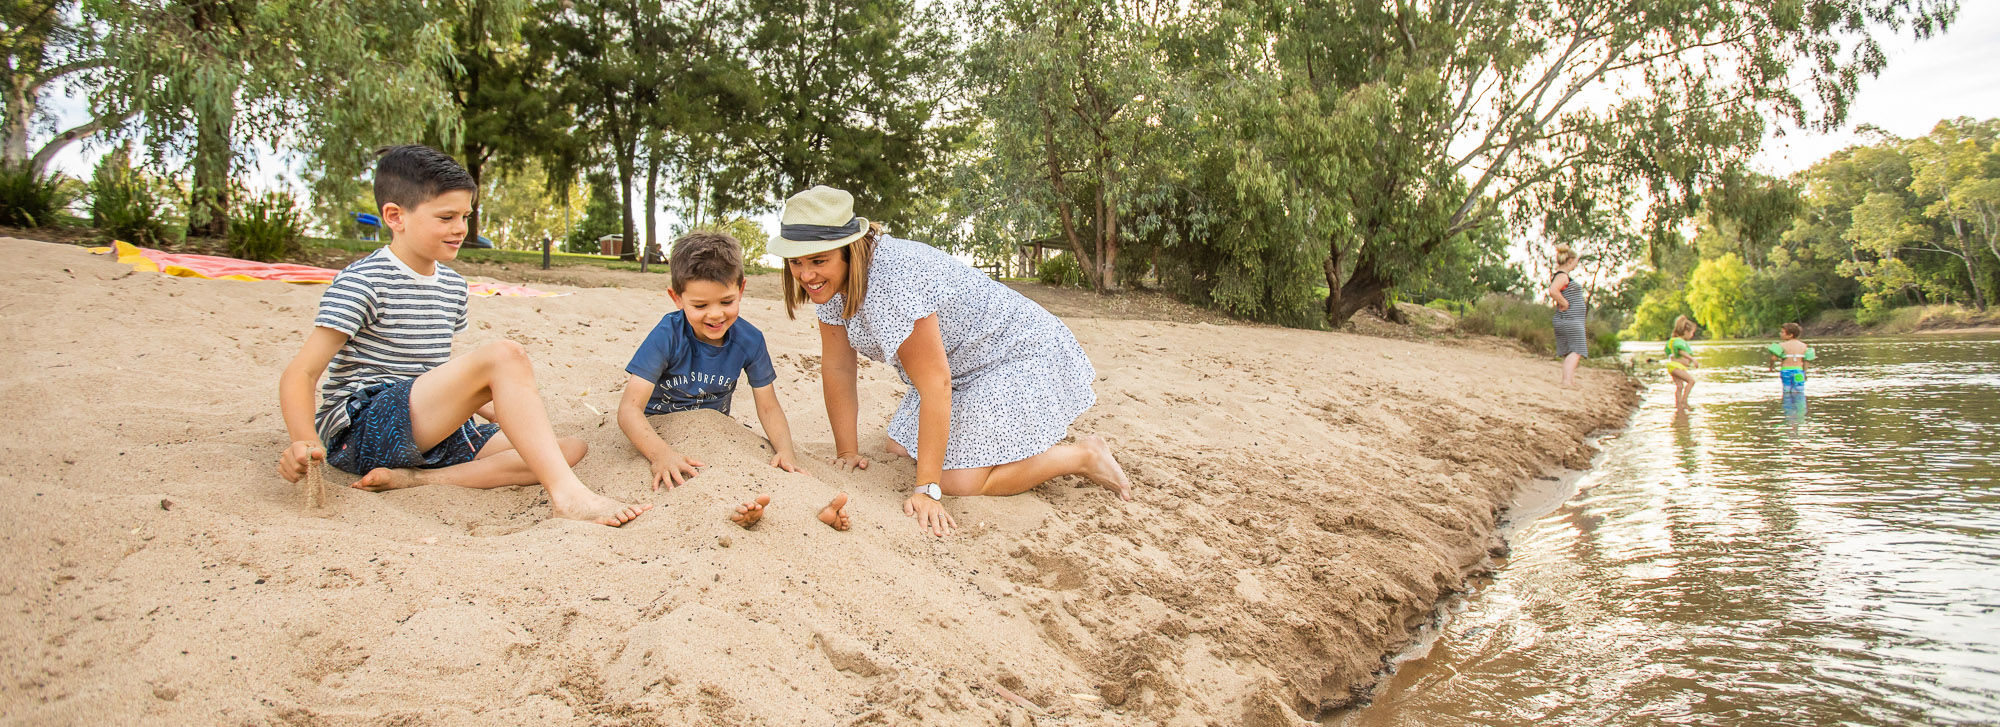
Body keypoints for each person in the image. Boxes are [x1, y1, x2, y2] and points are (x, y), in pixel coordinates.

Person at [276, 145, 650, 526]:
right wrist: (303, 441)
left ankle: (419, 480)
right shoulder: (363, 281)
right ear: (395, 216)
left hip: (424, 433)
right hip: (362, 430)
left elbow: (437, 376)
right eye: (446, 216)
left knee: (565, 448)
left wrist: (506, 414)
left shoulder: (453, 286)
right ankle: (569, 497)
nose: (460, 228)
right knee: (506, 355)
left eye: (465, 216)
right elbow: (301, 373)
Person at [773, 185, 1131, 537]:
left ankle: (1083, 455)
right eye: (796, 262)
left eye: (818, 261)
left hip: (1013, 354)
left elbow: (934, 383)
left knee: (955, 481)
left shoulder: (891, 281)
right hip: (961, 369)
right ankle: (999, 445)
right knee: (898, 447)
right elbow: (838, 366)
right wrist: (846, 451)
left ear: (849, 251)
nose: (806, 275)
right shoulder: (831, 286)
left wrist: (927, 489)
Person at [614, 231, 849, 531]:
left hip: (716, 434)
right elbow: (629, 410)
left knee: (767, 467)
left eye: (727, 301)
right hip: (659, 436)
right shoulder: (666, 335)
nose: (715, 315)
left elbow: (768, 407)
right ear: (677, 298)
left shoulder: (750, 340)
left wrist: (786, 451)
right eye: (699, 306)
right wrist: (660, 455)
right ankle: (734, 515)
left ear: (741, 289)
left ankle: (811, 512)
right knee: (682, 485)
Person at [1545, 244, 1589, 387]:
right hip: (1570, 319)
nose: (1577, 264)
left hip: (1569, 319)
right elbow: (1552, 291)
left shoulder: (1562, 276)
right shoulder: (1563, 276)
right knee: (1576, 350)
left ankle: (1569, 380)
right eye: (1576, 261)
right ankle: (1566, 381)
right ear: (1570, 261)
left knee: (1571, 350)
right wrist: (1565, 303)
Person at [1764, 322, 1817, 393]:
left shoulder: (1781, 345)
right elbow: (1806, 361)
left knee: (1787, 390)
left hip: (1786, 371)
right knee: (1799, 390)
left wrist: (1771, 366)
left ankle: (1787, 403)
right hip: (1798, 371)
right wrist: (1804, 373)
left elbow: (1773, 358)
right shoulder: (1804, 346)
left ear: (1790, 335)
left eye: (1782, 332)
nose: (1780, 334)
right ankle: (1799, 403)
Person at [1666, 315, 1700, 410]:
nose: (1692, 335)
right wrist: (1692, 359)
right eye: (1692, 333)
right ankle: (1685, 401)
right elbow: (1681, 351)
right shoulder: (1679, 342)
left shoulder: (1676, 341)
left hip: (1673, 367)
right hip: (1676, 367)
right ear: (1686, 332)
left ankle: (1678, 405)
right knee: (1691, 381)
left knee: (1680, 386)